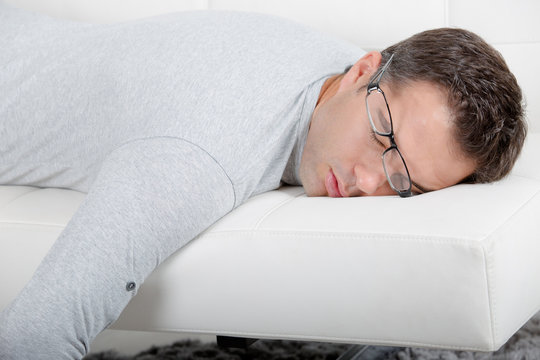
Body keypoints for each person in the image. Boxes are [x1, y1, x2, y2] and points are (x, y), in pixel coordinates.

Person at [0, 1, 526, 359]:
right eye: (381, 132)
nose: (369, 180)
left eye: (405, 179)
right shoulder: (194, 159)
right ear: (364, 68)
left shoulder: (354, 77)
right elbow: (35, 335)